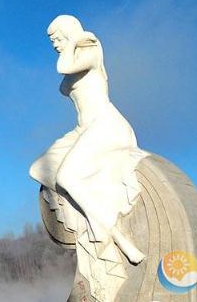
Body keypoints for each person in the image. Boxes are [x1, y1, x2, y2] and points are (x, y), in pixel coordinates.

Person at [29, 15, 145, 264]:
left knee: (66, 177)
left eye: (58, 38)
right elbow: (65, 74)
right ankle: (88, 214)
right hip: (82, 129)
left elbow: (64, 68)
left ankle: (115, 235)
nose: (56, 45)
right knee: (39, 168)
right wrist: (70, 43)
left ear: (70, 33)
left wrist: (74, 40)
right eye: (53, 42)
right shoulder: (74, 55)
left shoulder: (90, 50)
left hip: (105, 124)